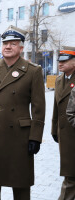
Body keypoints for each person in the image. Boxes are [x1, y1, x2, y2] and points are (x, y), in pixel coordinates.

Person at [0, 25, 45, 200]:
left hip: (20, 137)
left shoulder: (33, 71)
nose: (8, 47)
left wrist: (35, 137)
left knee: (21, 185)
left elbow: (39, 108)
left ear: (21, 47)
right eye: (5, 43)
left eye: (13, 43)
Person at [53, 50, 75, 200]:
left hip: (73, 131)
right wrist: (54, 129)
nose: (60, 63)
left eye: (65, 60)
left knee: (70, 175)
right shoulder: (59, 80)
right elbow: (56, 107)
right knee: (69, 171)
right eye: (59, 60)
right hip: (65, 133)